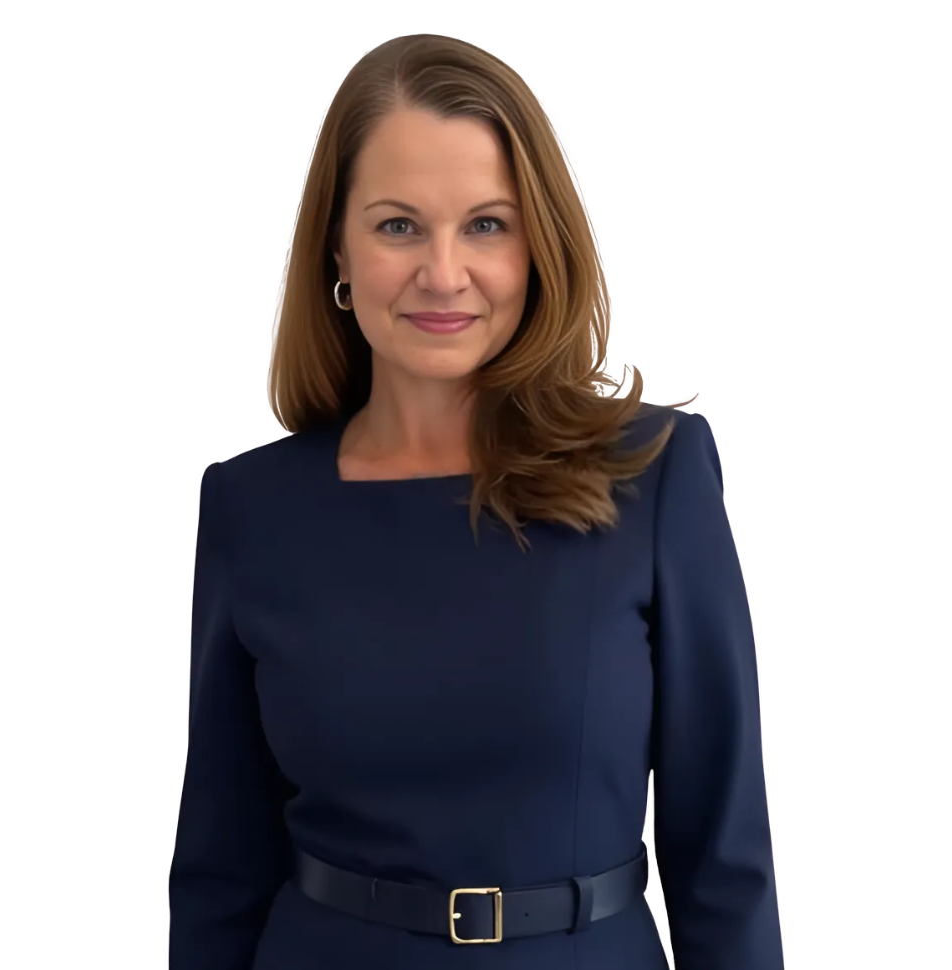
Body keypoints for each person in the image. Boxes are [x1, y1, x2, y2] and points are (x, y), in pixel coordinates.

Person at [168, 32, 785, 970]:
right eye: (398, 225)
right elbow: (218, 864)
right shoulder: (253, 508)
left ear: (540, 244)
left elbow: (724, 855)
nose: (444, 274)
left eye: (487, 225)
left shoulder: (654, 475)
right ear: (336, 244)